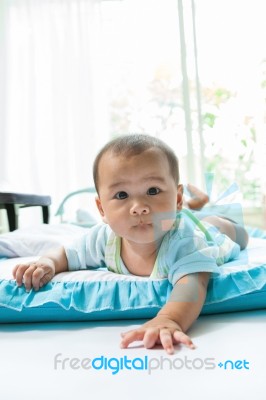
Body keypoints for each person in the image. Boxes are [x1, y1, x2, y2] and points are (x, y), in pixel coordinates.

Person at [12, 134, 248, 354]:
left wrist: (169, 318)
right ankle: (200, 209)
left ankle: (213, 214)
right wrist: (46, 263)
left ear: (176, 198)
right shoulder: (104, 238)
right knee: (205, 218)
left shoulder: (184, 241)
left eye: (152, 190)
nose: (139, 206)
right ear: (102, 209)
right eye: (122, 195)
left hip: (210, 235)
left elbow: (192, 285)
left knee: (224, 227)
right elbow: (66, 253)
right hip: (179, 217)